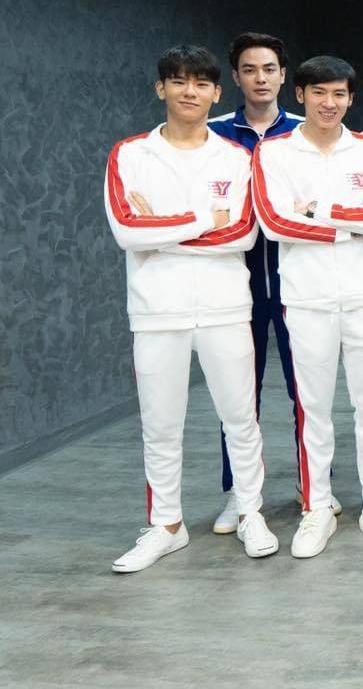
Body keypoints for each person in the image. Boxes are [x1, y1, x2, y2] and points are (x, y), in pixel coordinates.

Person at [106, 44, 277, 571]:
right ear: (161, 88)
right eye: (178, 81)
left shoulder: (236, 158)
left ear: (216, 93)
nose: (189, 91)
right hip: (157, 310)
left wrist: (164, 229)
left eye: (201, 83)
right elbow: (127, 230)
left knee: (241, 419)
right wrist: (205, 219)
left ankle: (249, 512)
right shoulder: (130, 155)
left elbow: (243, 233)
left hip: (226, 306)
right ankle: (166, 526)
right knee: (160, 425)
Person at [252, 55, 363, 559]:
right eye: (319, 92)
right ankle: (316, 505)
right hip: (306, 297)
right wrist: (348, 223)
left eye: (339, 93)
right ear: (299, 95)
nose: (329, 103)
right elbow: (275, 223)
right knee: (313, 406)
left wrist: (316, 210)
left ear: (351, 98)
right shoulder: (274, 152)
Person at [206, 32, 305, 533]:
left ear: (283, 76)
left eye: (269, 69)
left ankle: (312, 486)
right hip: (234, 285)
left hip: (299, 283)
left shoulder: (306, 132)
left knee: (305, 389)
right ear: (236, 78)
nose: (260, 78)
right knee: (238, 396)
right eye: (249, 69)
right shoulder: (215, 135)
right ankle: (239, 494)